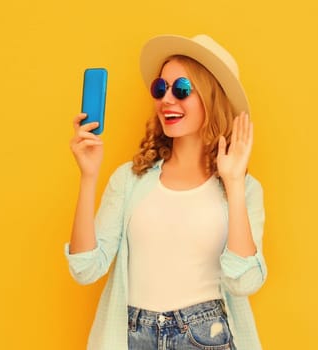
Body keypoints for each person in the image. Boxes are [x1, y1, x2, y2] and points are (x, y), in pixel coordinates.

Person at [65, 34, 267, 350]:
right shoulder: (130, 180)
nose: (167, 99)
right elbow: (85, 269)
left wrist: (234, 183)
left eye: (182, 89)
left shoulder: (243, 188)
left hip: (204, 335)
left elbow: (244, 281)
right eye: (161, 88)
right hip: (133, 335)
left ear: (210, 98)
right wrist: (88, 176)